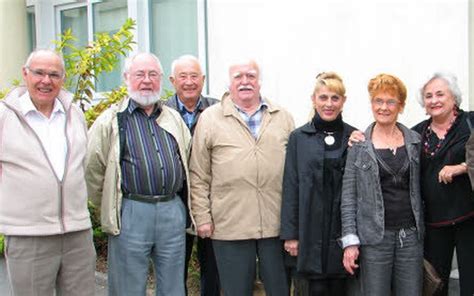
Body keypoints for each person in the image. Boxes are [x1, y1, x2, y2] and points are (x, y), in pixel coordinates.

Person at [86, 52, 192, 296]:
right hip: (131, 211)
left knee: (174, 285)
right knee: (128, 286)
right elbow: (92, 170)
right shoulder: (110, 120)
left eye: (153, 74)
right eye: (140, 74)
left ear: (161, 79)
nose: (147, 80)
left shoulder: (173, 118)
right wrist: (113, 204)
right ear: (126, 78)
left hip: (171, 210)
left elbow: (186, 158)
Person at [189, 58, 294, 296]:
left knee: (279, 290)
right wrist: (202, 217)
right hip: (229, 224)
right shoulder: (210, 119)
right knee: (236, 291)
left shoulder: (282, 117)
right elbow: (198, 174)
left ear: (259, 82)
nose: (245, 82)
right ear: (229, 83)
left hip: (275, 224)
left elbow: (295, 175)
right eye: (238, 77)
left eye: (251, 76)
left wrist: (293, 223)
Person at [0, 49, 96, 296]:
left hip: (77, 233)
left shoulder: (74, 113)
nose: (46, 81)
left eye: (54, 74)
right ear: (25, 74)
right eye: (39, 73)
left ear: (62, 79)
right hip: (29, 235)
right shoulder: (5, 116)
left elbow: (82, 164)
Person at [341, 73, 424, 296]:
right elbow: (348, 197)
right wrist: (350, 242)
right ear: (371, 104)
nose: (384, 107)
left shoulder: (415, 141)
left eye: (390, 101)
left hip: (411, 236)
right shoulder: (359, 145)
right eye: (378, 101)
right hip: (374, 238)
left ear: (401, 106)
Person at [280, 72, 356, 296]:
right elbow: (291, 185)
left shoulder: (355, 137)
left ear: (343, 101)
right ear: (314, 100)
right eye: (323, 98)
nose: (329, 104)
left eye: (335, 98)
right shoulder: (299, 138)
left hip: (342, 232)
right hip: (310, 233)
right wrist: (291, 235)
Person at [412, 72, 474, 296]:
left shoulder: (470, 122)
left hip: (470, 219)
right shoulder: (416, 133)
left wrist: (464, 167)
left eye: (440, 94)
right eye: (428, 96)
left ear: (453, 97)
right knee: (435, 286)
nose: (434, 100)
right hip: (434, 223)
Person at [166, 54, 220, 296]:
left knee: (213, 268)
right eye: (183, 76)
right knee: (175, 268)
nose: (189, 82)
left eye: (194, 76)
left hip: (212, 202)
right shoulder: (160, 111)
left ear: (203, 79)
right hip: (174, 202)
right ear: (172, 80)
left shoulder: (218, 110)